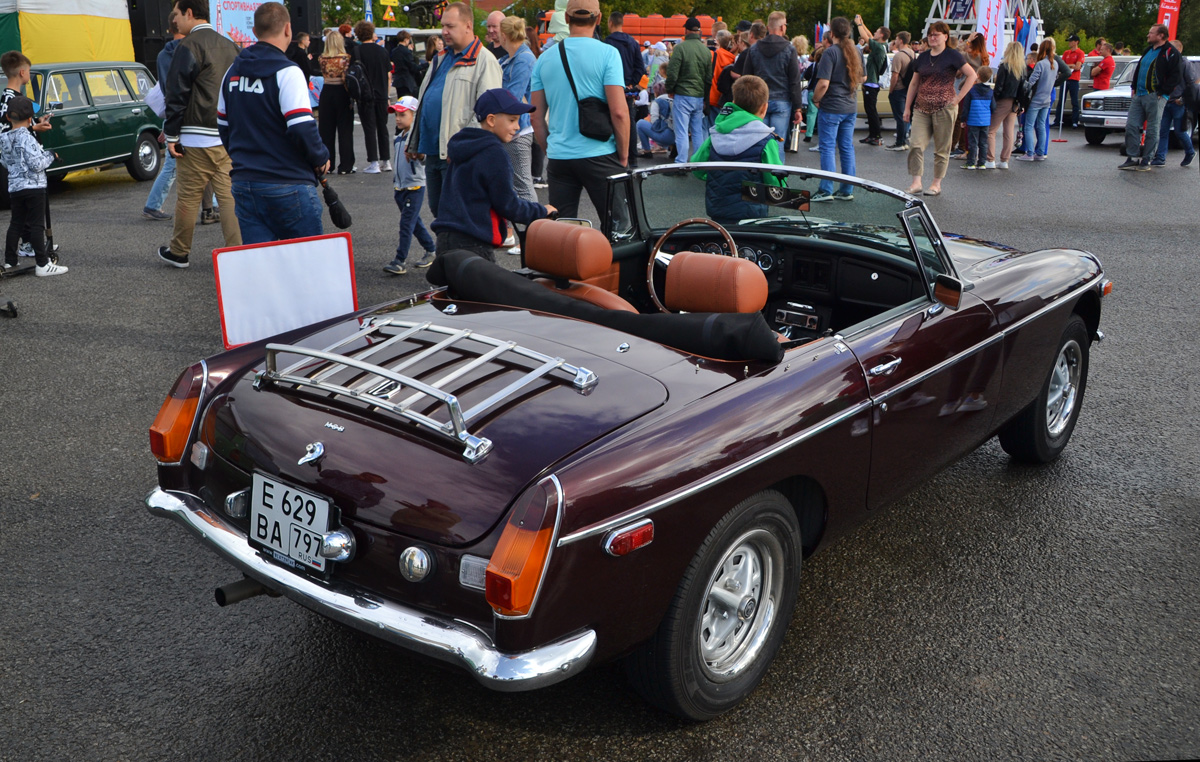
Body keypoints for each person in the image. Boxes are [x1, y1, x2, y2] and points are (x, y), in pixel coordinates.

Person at [217, 2, 329, 245]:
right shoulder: (289, 72)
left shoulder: (231, 72)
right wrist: (321, 157)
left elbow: (224, 127)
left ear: (255, 31)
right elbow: (301, 127)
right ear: (288, 29)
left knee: (262, 269)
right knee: (307, 262)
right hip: (289, 182)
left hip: (245, 183)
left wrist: (244, 160)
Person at [157, 0, 241, 268]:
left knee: (188, 197)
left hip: (193, 137)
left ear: (189, 13)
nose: (175, 20)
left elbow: (177, 92)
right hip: (225, 134)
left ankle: (179, 252)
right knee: (228, 197)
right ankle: (237, 251)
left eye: (178, 14)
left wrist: (171, 135)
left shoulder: (188, 46)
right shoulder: (230, 45)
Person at [530, 0, 629, 220]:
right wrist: (623, 155)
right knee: (619, 226)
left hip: (560, 156)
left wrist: (550, 150)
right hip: (600, 152)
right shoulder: (608, 54)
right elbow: (619, 112)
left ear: (566, 18)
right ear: (599, 18)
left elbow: (536, 117)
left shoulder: (544, 59)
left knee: (563, 231)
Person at [429, 89, 555, 262]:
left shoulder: (463, 146)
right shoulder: (494, 153)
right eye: (512, 120)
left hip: (447, 238)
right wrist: (540, 211)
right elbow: (507, 203)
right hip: (474, 242)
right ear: (491, 120)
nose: (517, 126)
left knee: (455, 288)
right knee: (481, 289)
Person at [406, 2, 502, 218]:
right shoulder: (440, 58)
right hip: (433, 152)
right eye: (443, 26)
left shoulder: (485, 61)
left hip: (458, 156)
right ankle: (447, 251)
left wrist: (463, 147)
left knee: (459, 215)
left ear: (468, 26)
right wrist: (413, 139)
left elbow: (489, 116)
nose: (444, 32)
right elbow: (425, 100)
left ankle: (457, 251)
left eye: (450, 26)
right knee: (439, 212)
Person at [689, 75, 783, 225]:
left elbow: (697, 167)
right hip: (752, 210)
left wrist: (720, 179)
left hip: (719, 206)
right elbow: (775, 181)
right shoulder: (766, 139)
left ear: (733, 103)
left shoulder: (716, 133)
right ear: (764, 107)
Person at [903, 21, 977, 196]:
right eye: (930, 34)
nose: (932, 37)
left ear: (945, 36)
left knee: (942, 148)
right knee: (915, 145)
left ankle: (936, 184)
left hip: (944, 107)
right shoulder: (922, 57)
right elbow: (914, 83)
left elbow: (972, 75)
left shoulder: (953, 56)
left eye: (936, 34)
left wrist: (958, 98)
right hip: (921, 107)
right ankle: (916, 182)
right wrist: (907, 108)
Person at [1, 96, 66, 276]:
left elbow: (5, 162)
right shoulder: (28, 138)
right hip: (34, 187)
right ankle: (42, 264)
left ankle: (10, 261)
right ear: (30, 119)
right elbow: (37, 164)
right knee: (37, 225)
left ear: (8, 117)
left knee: (16, 224)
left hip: (15, 188)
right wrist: (51, 155)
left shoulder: (4, 137)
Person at [1119, 24, 1183, 170]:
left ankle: (1146, 160)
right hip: (1139, 95)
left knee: (1153, 129)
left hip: (1155, 96)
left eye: (1151, 33)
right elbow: (1139, 69)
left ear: (1161, 35)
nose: (1148, 35)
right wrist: (1134, 87)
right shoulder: (1148, 50)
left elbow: (1176, 76)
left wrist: (1162, 92)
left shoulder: (1170, 52)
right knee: (1131, 125)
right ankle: (1133, 157)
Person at [384, 97, 436, 274]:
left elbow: (425, 159)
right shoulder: (399, 136)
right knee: (414, 223)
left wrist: (420, 156)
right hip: (400, 187)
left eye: (402, 115)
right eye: (396, 115)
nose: (398, 118)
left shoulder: (418, 138)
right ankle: (431, 249)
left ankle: (400, 260)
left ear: (414, 115)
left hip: (414, 187)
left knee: (406, 224)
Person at [811, 17, 861, 201]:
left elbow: (823, 83)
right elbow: (861, 78)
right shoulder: (855, 51)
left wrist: (816, 99)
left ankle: (826, 189)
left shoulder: (830, 53)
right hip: (850, 105)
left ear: (832, 33)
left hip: (832, 106)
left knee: (828, 148)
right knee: (847, 147)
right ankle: (846, 189)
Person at [141, 13, 184, 220]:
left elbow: (168, 93)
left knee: (175, 165)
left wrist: (167, 127)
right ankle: (153, 204)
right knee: (174, 166)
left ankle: (211, 204)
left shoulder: (164, 55)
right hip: (184, 119)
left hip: (173, 118)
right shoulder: (187, 51)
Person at [742, 12, 804, 143]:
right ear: (782, 27)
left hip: (759, 100)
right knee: (777, 143)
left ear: (768, 27)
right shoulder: (789, 49)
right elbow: (794, 81)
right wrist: (798, 108)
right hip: (782, 100)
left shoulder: (754, 49)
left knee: (758, 142)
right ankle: (776, 163)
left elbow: (746, 78)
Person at [497, 16, 538, 206]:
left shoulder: (523, 60)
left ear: (504, 36)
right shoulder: (511, 59)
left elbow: (511, 97)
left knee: (523, 187)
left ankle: (535, 230)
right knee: (511, 187)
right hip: (512, 130)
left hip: (517, 131)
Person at [665, 17, 713, 163]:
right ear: (699, 31)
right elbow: (708, 78)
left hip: (682, 94)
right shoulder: (706, 51)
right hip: (698, 96)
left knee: (681, 132)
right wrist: (705, 97)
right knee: (697, 131)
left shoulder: (680, 48)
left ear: (686, 30)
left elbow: (672, 73)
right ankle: (698, 163)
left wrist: (670, 89)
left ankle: (681, 163)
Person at [605, 12, 646, 169]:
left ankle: (614, 155)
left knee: (611, 121)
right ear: (622, 23)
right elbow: (640, 67)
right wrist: (632, 84)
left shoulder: (606, 43)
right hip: (628, 90)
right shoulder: (632, 43)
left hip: (611, 88)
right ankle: (632, 157)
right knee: (629, 122)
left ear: (610, 23)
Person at [354, 21, 391, 174]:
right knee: (383, 128)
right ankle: (386, 160)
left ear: (358, 33)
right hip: (382, 94)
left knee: (369, 128)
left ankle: (373, 162)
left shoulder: (357, 51)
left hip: (365, 96)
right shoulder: (383, 51)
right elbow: (389, 75)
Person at [1152, 41, 1196, 167]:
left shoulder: (1185, 64)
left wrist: (1183, 99)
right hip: (1166, 101)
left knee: (1179, 131)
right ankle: (1160, 157)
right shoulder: (1166, 63)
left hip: (1178, 102)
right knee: (1163, 130)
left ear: (1179, 50)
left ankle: (1190, 152)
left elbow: (1191, 83)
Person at [318, 31, 355, 174]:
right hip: (341, 91)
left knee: (326, 130)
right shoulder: (346, 58)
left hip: (326, 91)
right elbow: (346, 78)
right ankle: (346, 165)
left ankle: (328, 163)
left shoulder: (322, 58)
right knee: (345, 130)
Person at [1015, 39, 1058, 162]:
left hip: (1036, 99)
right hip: (1047, 99)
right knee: (1041, 126)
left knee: (1028, 126)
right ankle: (1040, 152)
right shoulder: (1055, 63)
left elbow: (1031, 82)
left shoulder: (1040, 64)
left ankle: (1029, 153)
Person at [987, 41, 1025, 170]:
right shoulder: (1022, 69)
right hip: (1015, 102)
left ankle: (990, 159)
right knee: (1008, 132)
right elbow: (1023, 88)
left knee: (990, 130)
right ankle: (1004, 160)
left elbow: (999, 87)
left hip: (1003, 100)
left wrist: (994, 100)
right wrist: (1021, 104)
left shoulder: (1004, 66)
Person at [853, 14, 890, 146]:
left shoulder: (879, 47)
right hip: (870, 83)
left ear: (881, 36)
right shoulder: (881, 45)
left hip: (872, 83)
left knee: (872, 110)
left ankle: (877, 136)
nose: (874, 33)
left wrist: (858, 24)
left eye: (877, 32)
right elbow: (868, 35)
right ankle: (872, 135)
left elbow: (866, 37)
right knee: (870, 110)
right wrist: (862, 23)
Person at [887, 31, 917, 150]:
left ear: (900, 40)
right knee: (906, 116)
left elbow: (895, 75)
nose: (895, 41)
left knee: (899, 117)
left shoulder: (899, 56)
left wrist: (891, 90)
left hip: (899, 88)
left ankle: (900, 142)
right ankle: (904, 140)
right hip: (909, 88)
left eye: (896, 38)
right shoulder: (912, 53)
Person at [961, 66, 993, 169]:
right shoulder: (990, 92)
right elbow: (994, 107)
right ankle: (982, 163)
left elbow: (966, 107)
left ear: (977, 76)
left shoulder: (971, 91)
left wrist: (963, 119)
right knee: (983, 142)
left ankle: (971, 163)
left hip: (973, 120)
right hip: (985, 121)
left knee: (972, 142)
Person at [1058, 34, 1085, 128]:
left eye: (1071, 41)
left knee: (1074, 101)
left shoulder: (1080, 53)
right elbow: (1061, 65)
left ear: (1076, 42)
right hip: (1065, 79)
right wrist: (1072, 65)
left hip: (1074, 79)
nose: (1069, 43)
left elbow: (1077, 66)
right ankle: (1058, 120)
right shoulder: (1066, 53)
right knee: (1061, 100)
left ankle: (1075, 121)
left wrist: (1069, 65)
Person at [708, 30, 736, 118]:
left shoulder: (712, 55)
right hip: (724, 98)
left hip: (711, 96)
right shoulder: (734, 59)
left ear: (718, 41)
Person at [390, 31, 422, 99]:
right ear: (405, 40)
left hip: (398, 80)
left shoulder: (394, 51)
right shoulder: (406, 52)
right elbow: (413, 67)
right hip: (407, 81)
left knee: (401, 101)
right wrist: (426, 64)